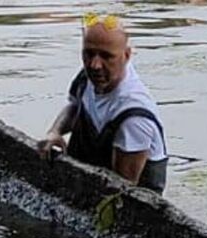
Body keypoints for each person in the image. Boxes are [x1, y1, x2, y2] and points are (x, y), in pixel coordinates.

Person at [37, 13, 168, 193]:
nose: (95, 65)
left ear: (127, 55)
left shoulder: (133, 118)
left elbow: (122, 189)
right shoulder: (89, 77)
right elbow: (76, 108)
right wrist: (55, 132)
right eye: (89, 53)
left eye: (107, 56)